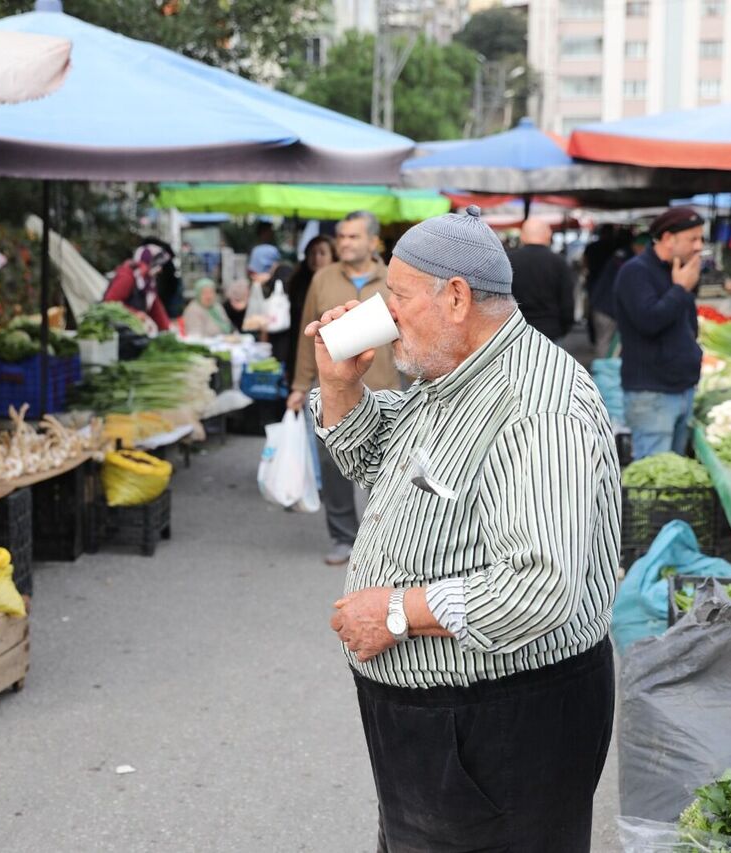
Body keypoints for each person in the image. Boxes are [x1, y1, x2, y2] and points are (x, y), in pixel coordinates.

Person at [308, 205, 618, 851]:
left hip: (500, 723)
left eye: (396, 294)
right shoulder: (448, 374)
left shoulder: (538, 408)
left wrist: (393, 612)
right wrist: (341, 386)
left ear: (455, 297)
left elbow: (537, 586)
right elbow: (369, 457)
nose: (384, 310)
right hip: (444, 727)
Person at [288, 210, 400, 567]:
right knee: (334, 466)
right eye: (342, 237)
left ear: (372, 241)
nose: (345, 243)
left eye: (353, 236)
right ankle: (342, 536)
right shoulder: (322, 278)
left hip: (384, 391)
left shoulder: (393, 279)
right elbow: (308, 339)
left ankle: (382, 542)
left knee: (384, 472)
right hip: (332, 392)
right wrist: (299, 385)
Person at [613, 207, 705, 460]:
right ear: (667, 238)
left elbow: (687, 325)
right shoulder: (636, 272)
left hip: (682, 388)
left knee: (674, 474)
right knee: (655, 479)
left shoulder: (677, 269)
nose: (699, 246)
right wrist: (680, 289)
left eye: (701, 239)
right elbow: (649, 321)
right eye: (692, 239)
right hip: (652, 394)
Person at [506, 218, 577, 344]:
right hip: (551, 332)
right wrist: (565, 327)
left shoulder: (508, 261)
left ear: (522, 236)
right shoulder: (559, 263)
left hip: (516, 331)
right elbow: (567, 302)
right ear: (548, 235)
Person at [282, 235, 338, 372]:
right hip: (298, 343)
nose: (317, 258)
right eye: (312, 253)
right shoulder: (297, 282)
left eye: (322, 253)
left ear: (333, 257)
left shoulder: (337, 285)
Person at [588, 232, 646, 358]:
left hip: (602, 306)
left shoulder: (622, 255)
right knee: (605, 344)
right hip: (606, 309)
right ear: (639, 246)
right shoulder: (628, 259)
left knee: (606, 343)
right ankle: (601, 375)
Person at [104, 244, 173, 332]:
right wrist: (134, 314)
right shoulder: (127, 276)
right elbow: (110, 303)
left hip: (134, 331)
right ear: (148, 261)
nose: (160, 270)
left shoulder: (148, 283)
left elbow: (156, 309)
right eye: (157, 265)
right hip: (117, 330)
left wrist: (167, 330)